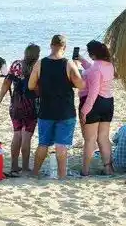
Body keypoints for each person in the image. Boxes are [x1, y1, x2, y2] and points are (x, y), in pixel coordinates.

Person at [29, 35, 85, 179]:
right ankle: (62, 176)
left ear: (51, 45)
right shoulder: (69, 64)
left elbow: (30, 85)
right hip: (65, 110)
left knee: (43, 144)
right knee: (61, 145)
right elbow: (81, 85)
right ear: (64, 47)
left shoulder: (40, 63)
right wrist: (77, 68)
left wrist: (42, 87)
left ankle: (35, 173)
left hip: (46, 109)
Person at [0, 43, 40, 175]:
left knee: (17, 133)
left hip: (16, 103)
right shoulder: (38, 66)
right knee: (27, 136)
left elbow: (6, 82)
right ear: (36, 55)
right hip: (31, 104)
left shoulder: (16, 65)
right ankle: (25, 166)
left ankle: (14, 166)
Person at [77, 40, 116, 176]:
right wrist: (83, 61)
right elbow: (93, 69)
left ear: (92, 53)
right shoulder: (109, 65)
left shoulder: (95, 69)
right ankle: (108, 168)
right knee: (103, 137)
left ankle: (85, 170)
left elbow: (93, 93)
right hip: (108, 102)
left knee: (90, 139)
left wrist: (84, 111)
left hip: (95, 103)